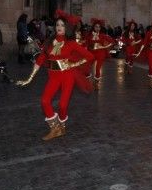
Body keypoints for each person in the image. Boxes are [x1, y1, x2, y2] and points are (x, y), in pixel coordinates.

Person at [16, 10, 94, 141]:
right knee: (44, 101)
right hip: (53, 77)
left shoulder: (71, 43)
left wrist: (72, 65)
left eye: (62, 25)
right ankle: (55, 128)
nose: (59, 27)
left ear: (67, 28)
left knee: (63, 106)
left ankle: (61, 126)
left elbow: (90, 56)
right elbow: (40, 60)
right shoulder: (48, 42)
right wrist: (29, 78)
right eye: (58, 25)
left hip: (67, 76)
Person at [86, 18, 114, 86]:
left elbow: (112, 41)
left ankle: (96, 83)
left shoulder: (103, 35)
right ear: (93, 27)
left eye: (99, 27)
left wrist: (104, 47)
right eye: (96, 26)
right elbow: (87, 44)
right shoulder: (90, 36)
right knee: (88, 67)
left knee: (98, 68)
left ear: (100, 28)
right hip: (92, 53)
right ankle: (87, 81)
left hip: (100, 53)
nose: (97, 28)